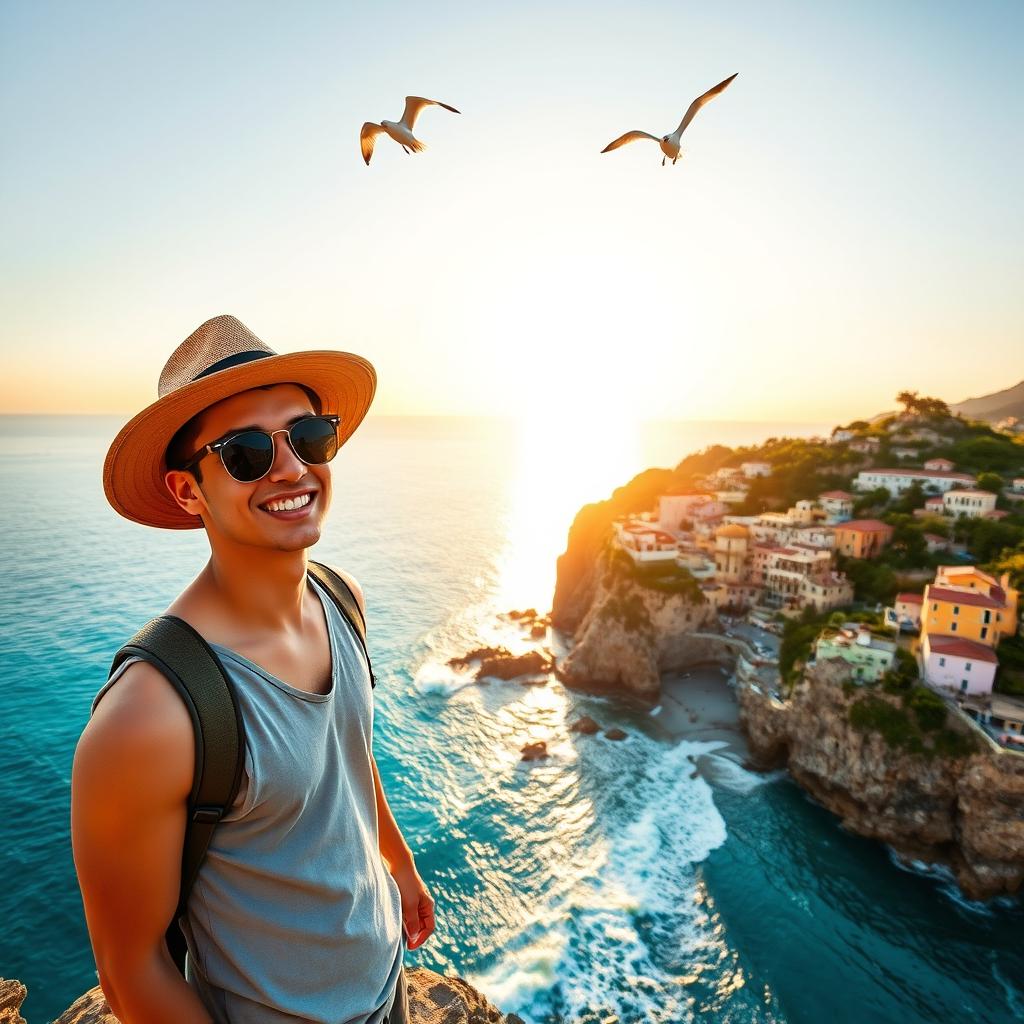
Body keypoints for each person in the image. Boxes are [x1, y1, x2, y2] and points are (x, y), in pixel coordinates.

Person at [71, 314, 435, 1024]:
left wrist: (399, 861)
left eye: (308, 436)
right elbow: (129, 971)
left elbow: (350, 757)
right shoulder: (150, 716)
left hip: (387, 988)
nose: (292, 468)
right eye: (244, 452)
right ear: (187, 491)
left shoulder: (343, 600)